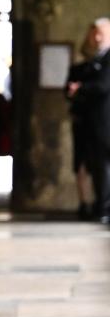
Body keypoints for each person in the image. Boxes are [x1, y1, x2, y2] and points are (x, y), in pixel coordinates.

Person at [68, 17, 110, 225]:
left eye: (101, 33)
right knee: (90, 166)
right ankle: (97, 205)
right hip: (90, 123)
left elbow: (103, 86)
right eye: (94, 33)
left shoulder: (106, 60)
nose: (97, 37)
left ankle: (103, 206)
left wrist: (81, 89)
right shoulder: (90, 64)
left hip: (104, 122)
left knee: (102, 166)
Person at [67, 25, 99, 219]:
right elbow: (69, 93)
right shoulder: (78, 70)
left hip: (97, 123)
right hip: (81, 122)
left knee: (97, 164)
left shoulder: (100, 70)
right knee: (80, 165)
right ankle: (84, 202)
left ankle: (97, 201)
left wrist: (81, 89)